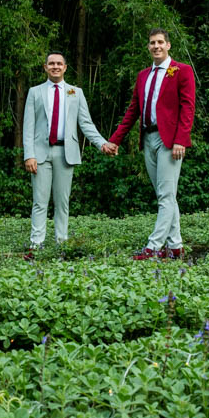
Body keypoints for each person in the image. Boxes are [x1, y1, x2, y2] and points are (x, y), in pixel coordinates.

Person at [108, 28, 196, 260]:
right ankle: (175, 246)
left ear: (168, 45)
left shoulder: (182, 71)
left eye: (160, 42)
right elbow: (132, 111)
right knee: (165, 195)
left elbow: (188, 108)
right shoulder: (143, 76)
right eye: (151, 43)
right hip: (148, 139)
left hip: (170, 141)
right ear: (148, 47)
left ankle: (154, 246)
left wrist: (181, 140)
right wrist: (116, 140)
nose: (156, 46)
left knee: (166, 196)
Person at [23, 52, 117, 250]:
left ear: (65, 67)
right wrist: (28, 154)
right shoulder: (35, 92)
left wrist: (102, 143)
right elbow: (28, 126)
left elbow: (86, 123)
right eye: (51, 64)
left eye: (59, 63)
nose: (55, 66)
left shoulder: (76, 92)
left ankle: (61, 244)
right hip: (40, 153)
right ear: (45, 67)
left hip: (66, 153)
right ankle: (35, 245)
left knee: (62, 202)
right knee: (40, 202)